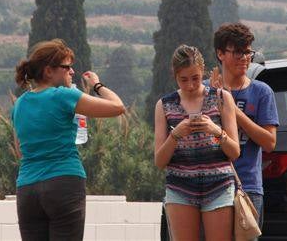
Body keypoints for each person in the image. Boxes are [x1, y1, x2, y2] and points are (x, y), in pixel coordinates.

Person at [12, 38, 126, 241]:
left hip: (27, 188)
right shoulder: (63, 96)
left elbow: (20, 151)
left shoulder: (20, 104)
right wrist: (97, 85)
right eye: (67, 67)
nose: (72, 72)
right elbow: (117, 107)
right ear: (49, 71)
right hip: (63, 182)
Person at [154, 44, 240, 241]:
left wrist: (215, 130)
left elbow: (234, 152)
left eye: (196, 78)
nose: (191, 85)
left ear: (203, 72)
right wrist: (175, 135)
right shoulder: (164, 105)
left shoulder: (221, 98)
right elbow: (159, 161)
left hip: (219, 185)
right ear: (174, 76)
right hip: (180, 187)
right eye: (183, 80)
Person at [211, 22, 279, 232]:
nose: (245, 59)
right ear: (220, 53)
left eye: (248, 52)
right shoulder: (206, 89)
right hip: (210, 184)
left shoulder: (261, 92)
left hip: (247, 186)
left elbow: (269, 142)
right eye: (238, 53)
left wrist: (232, 107)